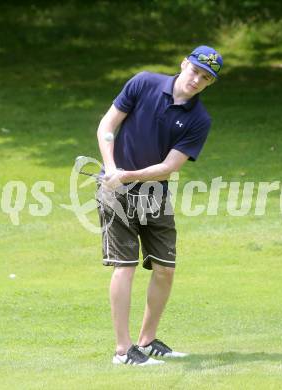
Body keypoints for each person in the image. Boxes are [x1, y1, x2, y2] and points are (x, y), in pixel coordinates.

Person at [96, 45, 223, 366]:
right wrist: (111, 169)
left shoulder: (199, 119)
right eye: (195, 71)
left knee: (165, 269)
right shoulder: (143, 83)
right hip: (116, 192)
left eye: (205, 78)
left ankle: (147, 340)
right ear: (184, 64)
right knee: (125, 266)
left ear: (209, 84)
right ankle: (124, 351)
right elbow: (107, 126)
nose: (196, 80)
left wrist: (128, 175)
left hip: (154, 194)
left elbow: (169, 166)